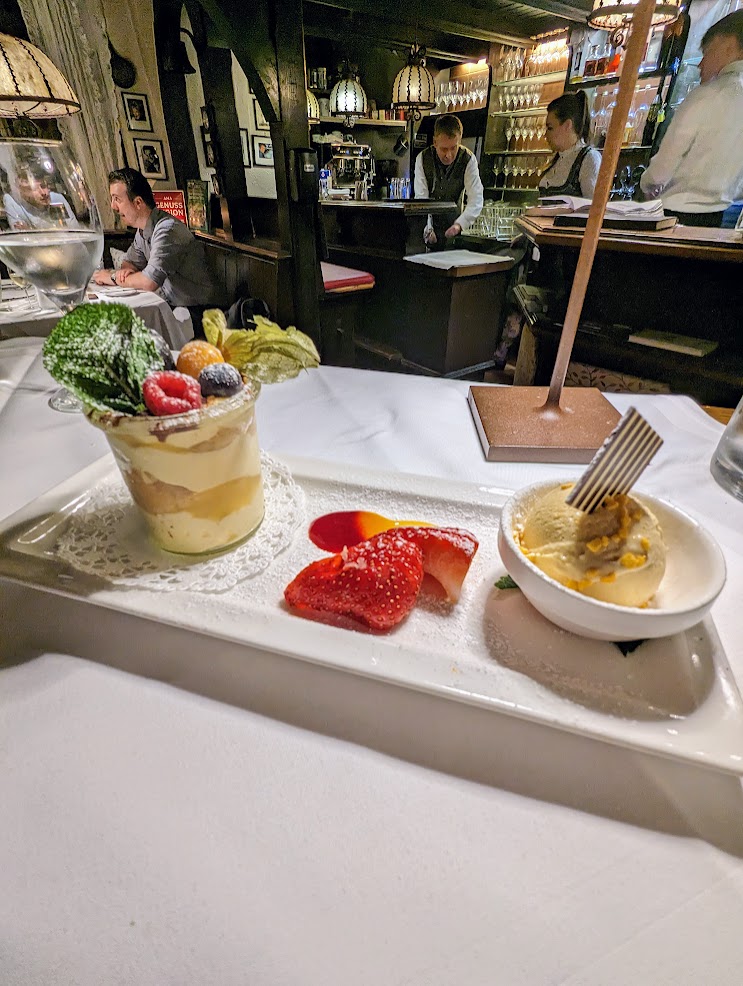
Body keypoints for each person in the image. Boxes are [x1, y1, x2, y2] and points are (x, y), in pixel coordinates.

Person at [640, 10, 743, 228]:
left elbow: (662, 168)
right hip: (727, 219)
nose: (700, 63)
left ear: (729, 45)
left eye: (707, 51)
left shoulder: (705, 95)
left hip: (677, 215)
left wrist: (647, 184)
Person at [93, 168, 219, 331]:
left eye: (117, 199)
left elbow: (148, 282)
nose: (113, 206)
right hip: (176, 306)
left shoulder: (167, 230)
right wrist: (126, 273)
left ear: (138, 203)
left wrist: (112, 276)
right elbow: (129, 263)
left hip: (203, 314)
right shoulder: (143, 229)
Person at [413, 114, 483, 240]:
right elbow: (421, 197)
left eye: (453, 148)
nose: (449, 155)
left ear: (460, 140)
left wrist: (459, 225)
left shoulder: (468, 160)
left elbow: (476, 199)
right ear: (435, 142)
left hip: (455, 229)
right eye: (444, 149)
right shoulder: (423, 159)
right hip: (427, 230)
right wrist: (428, 229)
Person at [539, 91, 601, 199]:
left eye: (550, 128)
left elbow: (592, 208)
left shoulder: (589, 158)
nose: (545, 134)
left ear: (567, 125)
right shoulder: (559, 158)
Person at [3, 163, 77, 229]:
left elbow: (73, 231)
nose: (43, 193)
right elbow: (22, 237)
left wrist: (30, 229)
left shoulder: (57, 199)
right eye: (34, 188)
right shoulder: (12, 202)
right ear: (22, 191)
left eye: (43, 186)